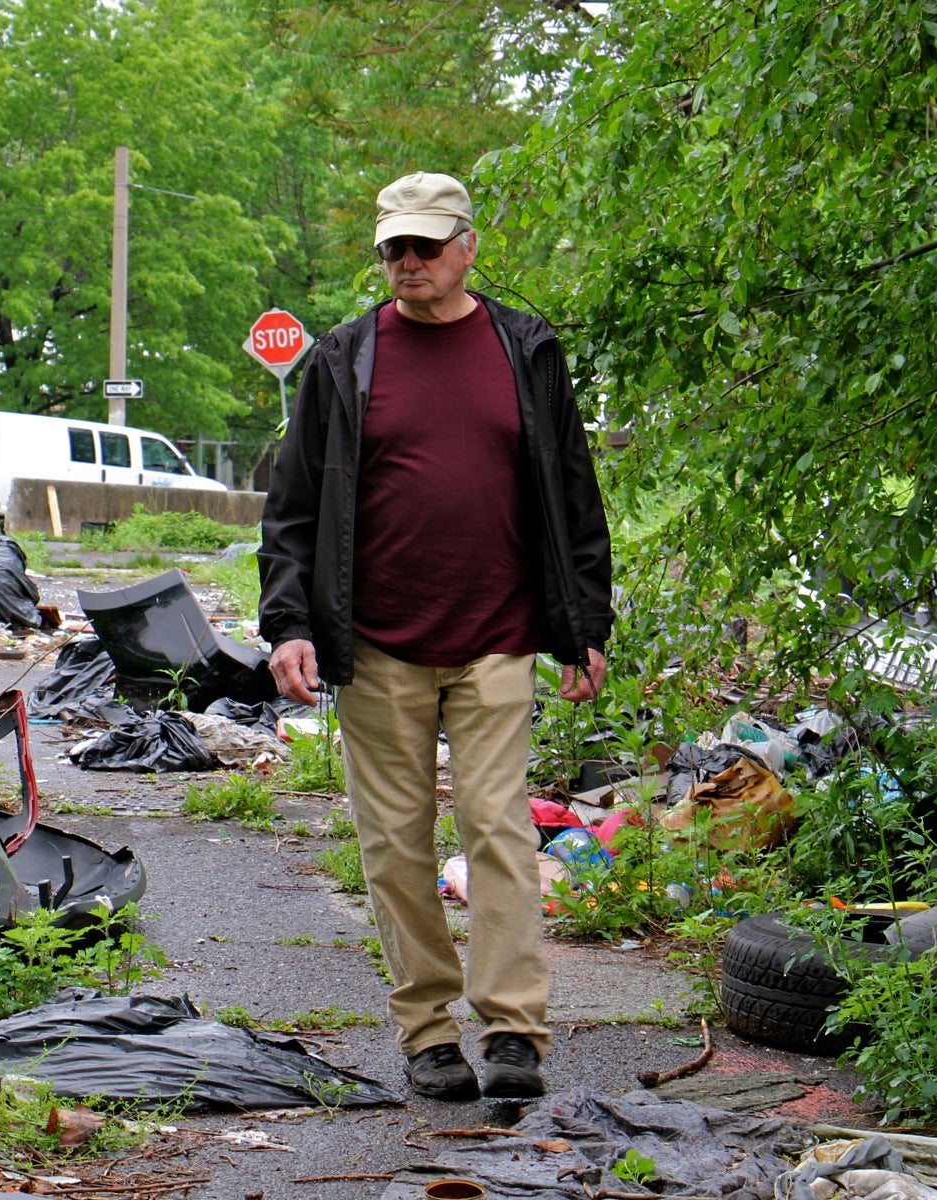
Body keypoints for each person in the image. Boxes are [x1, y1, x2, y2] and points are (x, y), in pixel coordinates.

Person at [257, 171, 614, 1101]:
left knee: (498, 827)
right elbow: (293, 510)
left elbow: (572, 492)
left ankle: (514, 1033)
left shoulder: (525, 349)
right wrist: (289, 622)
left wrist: (583, 625)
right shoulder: (343, 360)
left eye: (425, 246)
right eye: (393, 249)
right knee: (395, 843)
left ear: (466, 245)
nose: (408, 263)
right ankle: (428, 1031)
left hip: (497, 636)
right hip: (376, 643)